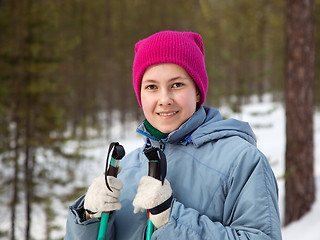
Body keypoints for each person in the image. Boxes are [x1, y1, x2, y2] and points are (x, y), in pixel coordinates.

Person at [65, 31, 282, 240]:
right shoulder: (127, 169)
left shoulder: (242, 162)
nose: (164, 99)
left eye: (176, 85)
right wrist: (89, 219)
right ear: (140, 95)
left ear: (197, 90)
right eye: (151, 87)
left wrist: (171, 218)